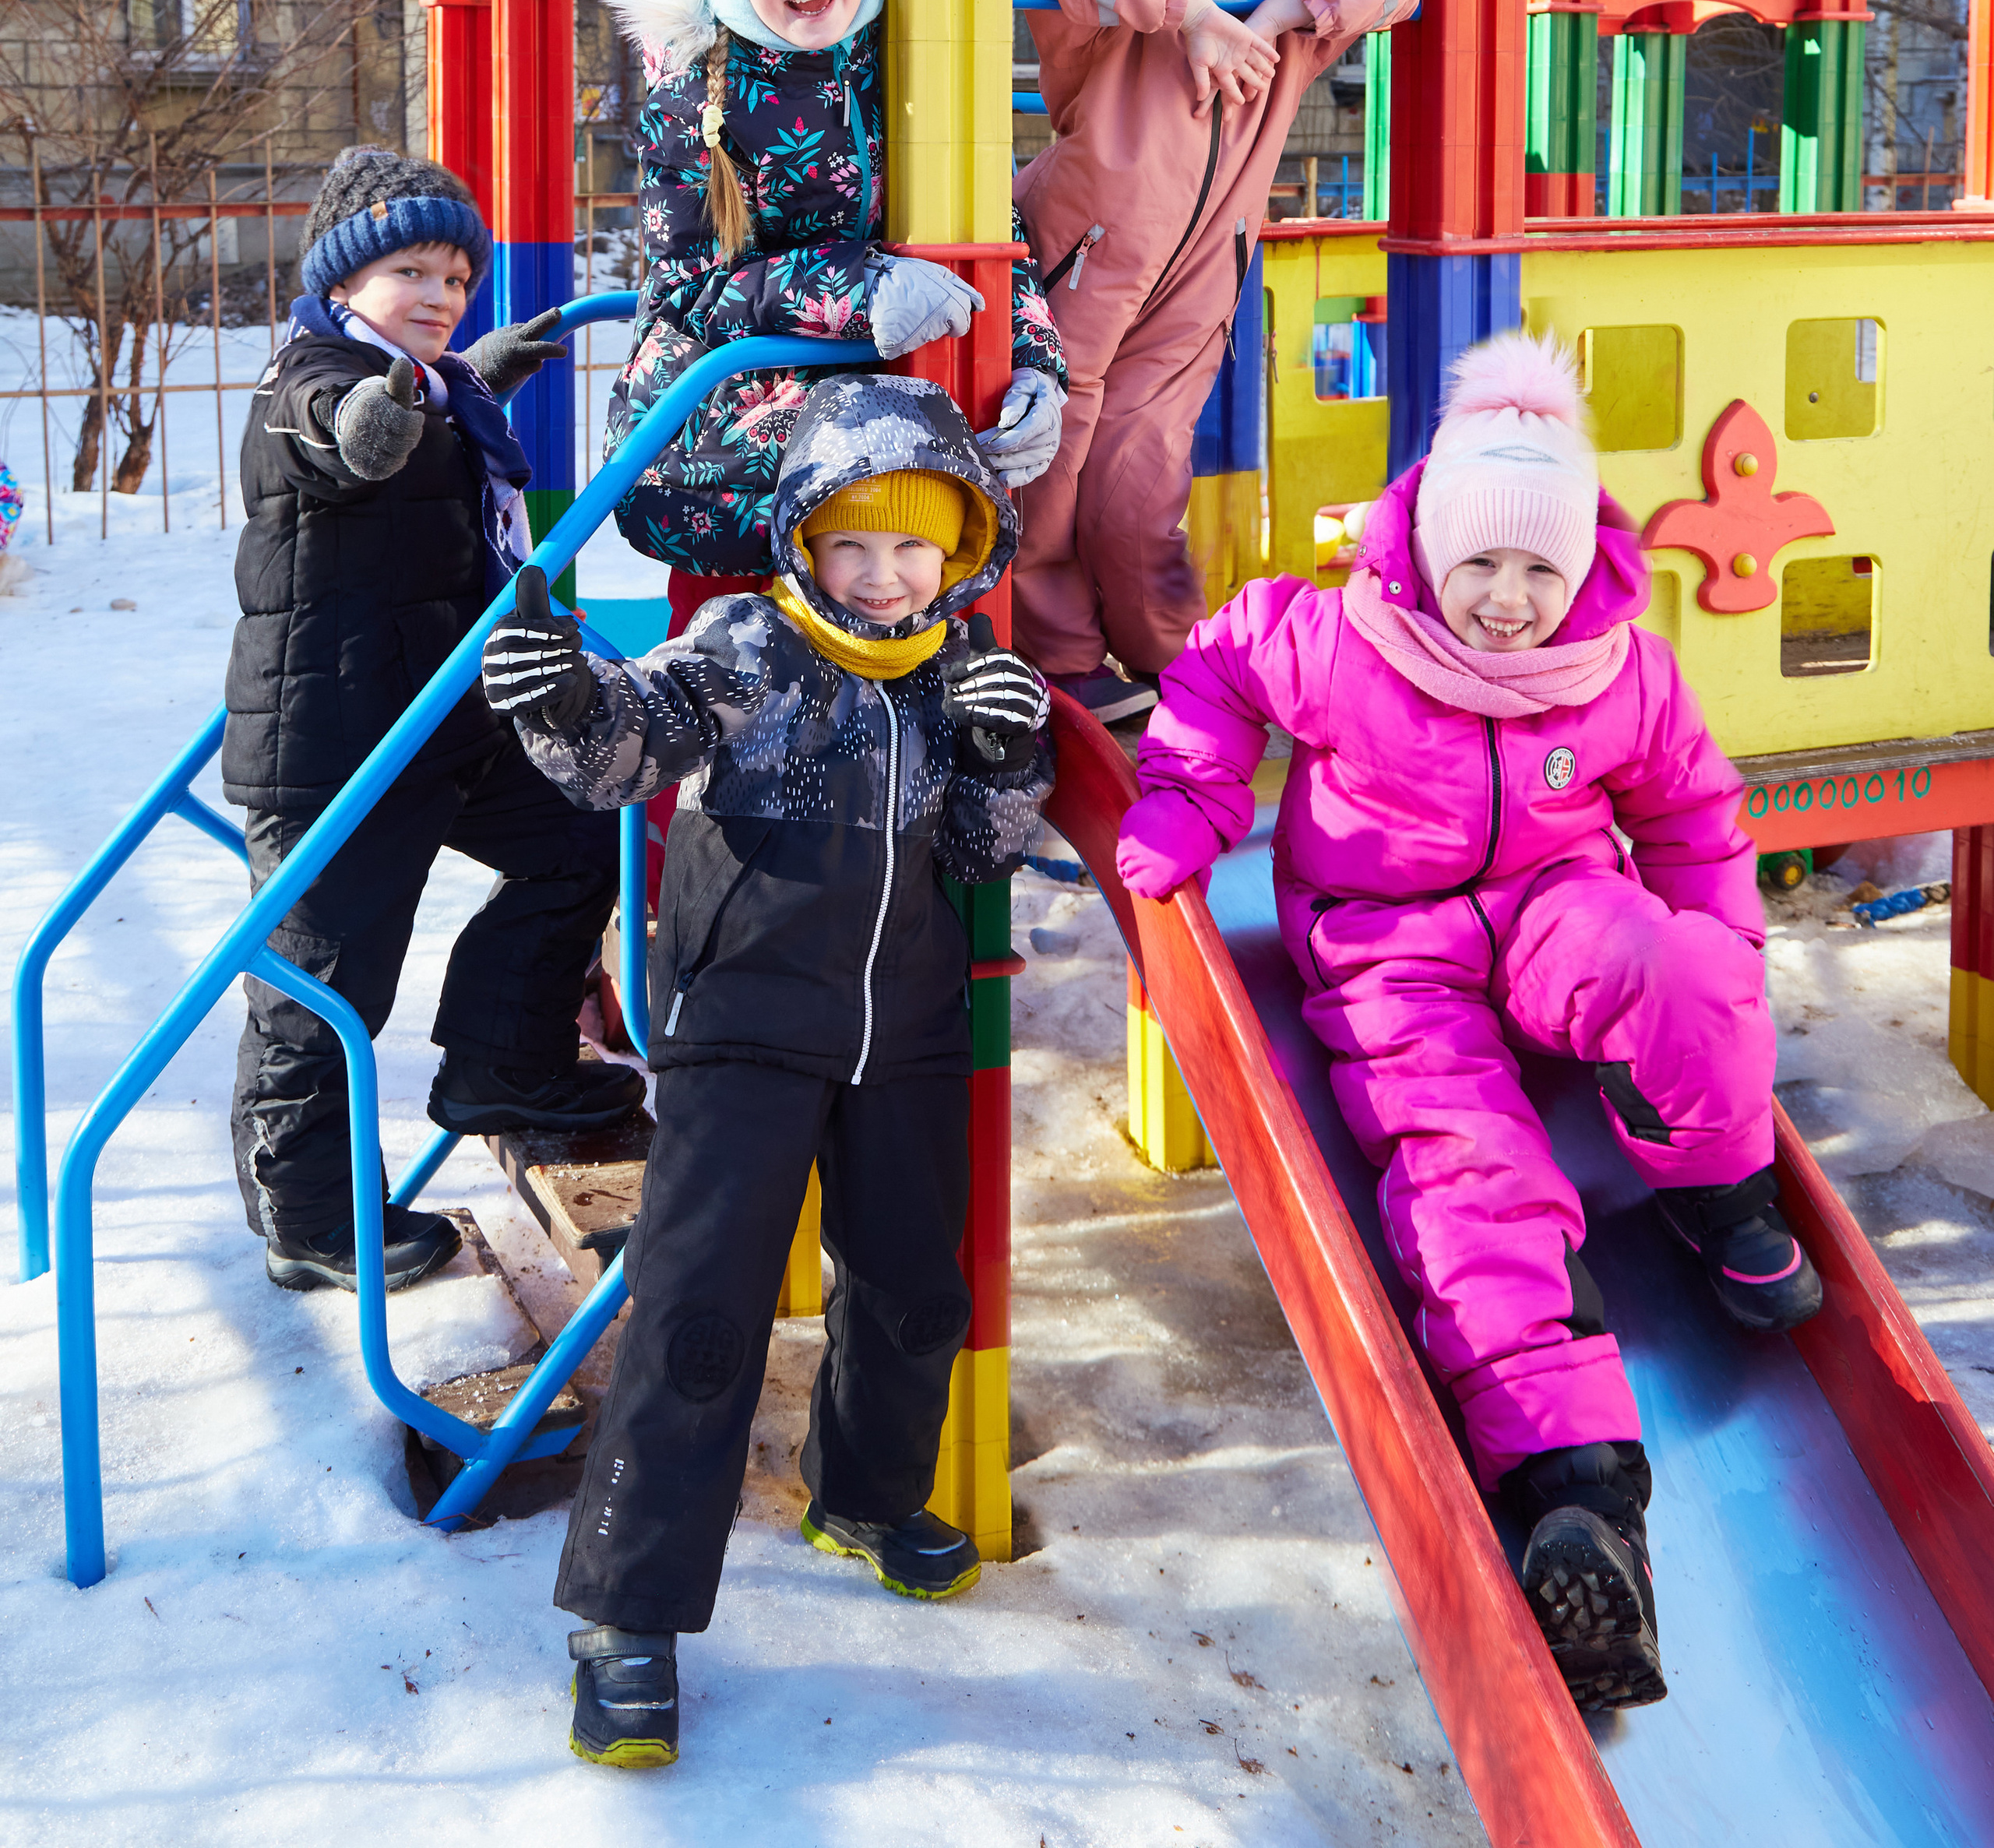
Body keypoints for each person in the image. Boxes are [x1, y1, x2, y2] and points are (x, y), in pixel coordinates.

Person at [1114, 329, 1822, 1715]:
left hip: (1558, 904)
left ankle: (1720, 1189)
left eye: (1540, 571)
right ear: (1428, 547)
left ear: (1584, 570)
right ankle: (1582, 1500)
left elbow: (1689, 818)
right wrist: (1189, 801)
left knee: (1680, 964)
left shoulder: (1616, 669)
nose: (1507, 603)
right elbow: (1214, 674)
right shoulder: (1337, 641)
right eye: (1480, 565)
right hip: (1390, 958)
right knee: (1466, 1176)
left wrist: (1716, 978)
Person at [480, 371, 1054, 1771]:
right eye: (851, 543)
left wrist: (1007, 752)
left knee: (919, 1293)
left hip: (905, 1030)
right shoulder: (748, 644)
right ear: (803, 539)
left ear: (959, 552)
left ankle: (860, 1495)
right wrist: (565, 694)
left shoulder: (955, 669)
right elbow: (629, 744)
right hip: (745, 1027)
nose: (878, 574)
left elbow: (983, 850)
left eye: (911, 545)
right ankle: (625, 1618)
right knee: (698, 1317)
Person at [224, 146, 643, 1295]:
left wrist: (474, 385)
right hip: (335, 743)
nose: (440, 297)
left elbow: (418, 454)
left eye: (458, 278)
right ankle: (305, 1217)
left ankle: (504, 1063)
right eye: (409, 270)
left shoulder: (436, 388)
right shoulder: (311, 377)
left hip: (438, 722)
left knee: (581, 834)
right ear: (342, 281)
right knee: (329, 979)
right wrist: (377, 412)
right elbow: (332, 429)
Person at [1012, 0, 1423, 722]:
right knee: (1052, 466)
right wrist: (1185, 10)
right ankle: (1058, 657)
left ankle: (1168, 659)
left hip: (1196, 282)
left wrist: (1276, 15)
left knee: (1143, 481)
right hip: (1079, 263)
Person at [607, 0, 1067, 615]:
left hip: (882, 447)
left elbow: (992, 232)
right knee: (738, 646)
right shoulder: (696, 95)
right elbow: (689, 292)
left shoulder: (908, 62)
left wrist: (1032, 362)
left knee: (899, 613)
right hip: (731, 439)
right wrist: (860, 290)